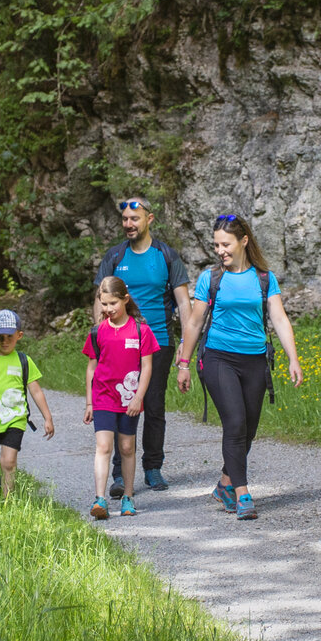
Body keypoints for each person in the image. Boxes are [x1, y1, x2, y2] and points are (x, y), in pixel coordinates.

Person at [174, 214, 303, 520]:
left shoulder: (264, 278)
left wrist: (293, 358)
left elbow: (280, 319)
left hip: (256, 360)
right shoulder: (211, 279)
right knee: (235, 422)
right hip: (219, 359)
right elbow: (193, 322)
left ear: (244, 241)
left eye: (226, 244)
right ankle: (242, 493)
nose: (220, 250)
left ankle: (224, 483)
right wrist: (183, 363)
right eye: (216, 244)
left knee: (249, 428)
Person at [94, 196, 191, 495]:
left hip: (158, 341)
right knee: (120, 404)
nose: (128, 224)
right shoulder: (115, 256)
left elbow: (184, 304)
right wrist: (100, 339)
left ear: (149, 219)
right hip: (119, 344)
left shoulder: (166, 255)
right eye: (124, 219)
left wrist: (186, 348)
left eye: (134, 219)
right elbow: (100, 301)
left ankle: (153, 467)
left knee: (154, 406)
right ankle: (120, 474)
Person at [82, 276, 158, 519]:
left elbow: (147, 367)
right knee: (103, 446)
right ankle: (100, 499)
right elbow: (91, 368)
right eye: (103, 304)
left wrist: (138, 398)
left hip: (129, 399)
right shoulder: (97, 332)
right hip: (103, 396)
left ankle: (128, 496)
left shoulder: (141, 331)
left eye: (112, 303)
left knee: (126, 447)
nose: (108, 310)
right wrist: (89, 402)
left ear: (125, 299)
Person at [0, 309, 55, 497]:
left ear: (19, 335)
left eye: (9, 336)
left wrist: (47, 417)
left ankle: (8, 502)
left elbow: (36, 391)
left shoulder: (24, 361)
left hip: (15, 420)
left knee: (8, 462)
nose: (4, 341)